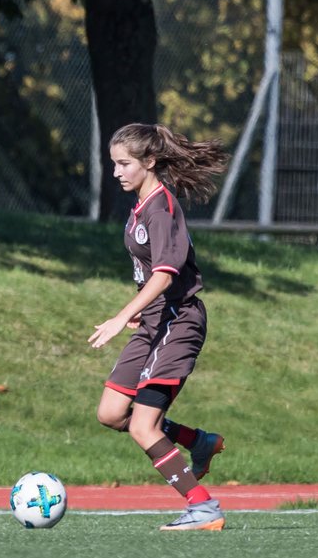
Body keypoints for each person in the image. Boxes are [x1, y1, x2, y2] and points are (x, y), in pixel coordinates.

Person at [89, 123, 227, 531]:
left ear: (149, 162)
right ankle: (198, 442)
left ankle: (203, 508)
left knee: (142, 425)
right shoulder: (140, 206)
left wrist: (119, 317)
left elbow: (166, 275)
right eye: (113, 163)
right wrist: (137, 312)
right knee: (112, 413)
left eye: (124, 164)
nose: (116, 172)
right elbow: (151, 273)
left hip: (178, 320)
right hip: (155, 320)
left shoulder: (161, 207)